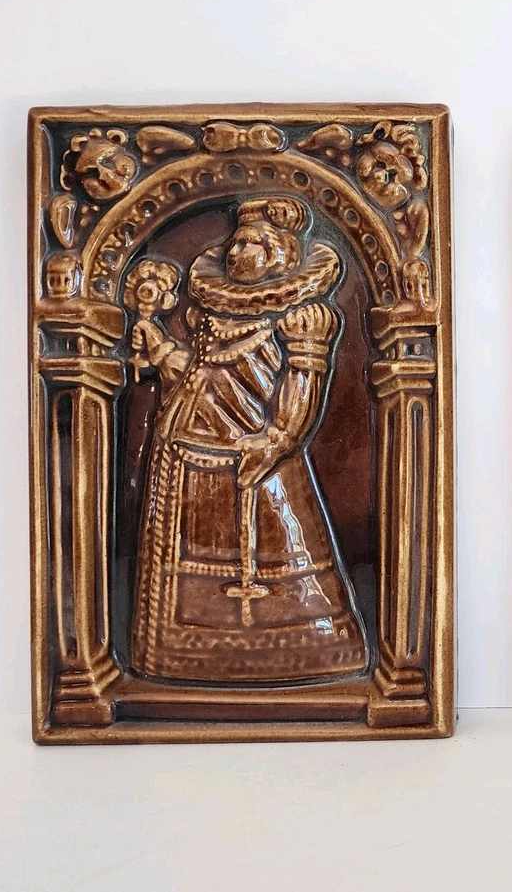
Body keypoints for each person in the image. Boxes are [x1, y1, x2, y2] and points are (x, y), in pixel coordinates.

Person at [128, 196, 368, 681]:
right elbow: (201, 377)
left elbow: (302, 387)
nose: (238, 253)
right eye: (236, 244)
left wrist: (278, 438)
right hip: (188, 460)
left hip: (255, 463)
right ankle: (176, 655)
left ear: (279, 254)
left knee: (279, 559)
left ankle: (301, 652)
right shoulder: (208, 315)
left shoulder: (301, 317)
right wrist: (162, 349)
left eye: (252, 245)